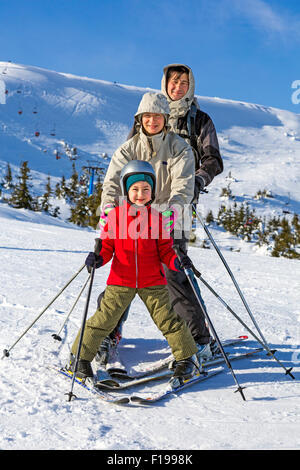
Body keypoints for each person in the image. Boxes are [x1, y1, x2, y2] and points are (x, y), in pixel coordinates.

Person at [96, 89, 217, 363]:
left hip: (168, 220)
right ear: (140, 119)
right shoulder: (128, 149)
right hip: (133, 221)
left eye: (158, 116)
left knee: (173, 276)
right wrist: (109, 213)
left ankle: (197, 340)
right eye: (147, 116)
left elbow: (183, 186)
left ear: (165, 118)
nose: (153, 121)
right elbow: (112, 184)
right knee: (123, 276)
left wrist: (170, 216)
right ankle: (107, 333)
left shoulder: (179, 148)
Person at [68, 160, 199, 383]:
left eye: (146, 189)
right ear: (126, 190)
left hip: (153, 282)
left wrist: (177, 262)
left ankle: (187, 358)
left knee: (168, 321)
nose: (140, 194)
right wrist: (98, 258)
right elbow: (108, 248)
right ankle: (78, 358)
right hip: (121, 280)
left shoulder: (158, 218)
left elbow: (165, 251)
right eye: (135, 189)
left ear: (152, 191)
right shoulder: (115, 217)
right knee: (103, 320)